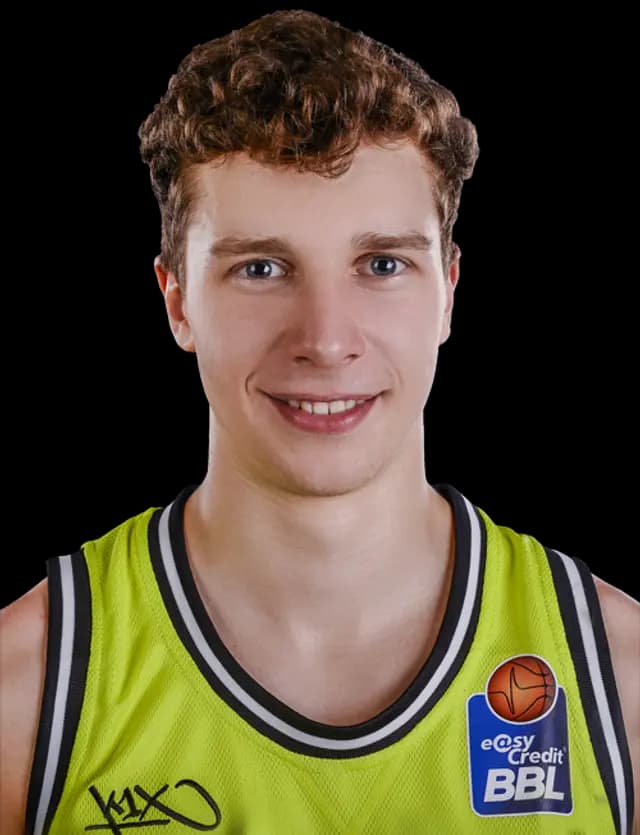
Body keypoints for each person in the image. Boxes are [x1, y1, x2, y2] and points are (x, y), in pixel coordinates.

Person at [1, 9, 638, 834]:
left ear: (448, 292)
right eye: (261, 268)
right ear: (177, 302)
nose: (327, 339)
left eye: (382, 264)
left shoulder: (618, 679)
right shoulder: (29, 689)